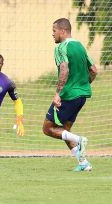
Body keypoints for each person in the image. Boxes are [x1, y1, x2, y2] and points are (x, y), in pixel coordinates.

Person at [42, 18, 97, 172]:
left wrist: (58, 94)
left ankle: (80, 140)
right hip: (81, 96)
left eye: (54, 31)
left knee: (47, 128)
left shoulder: (61, 47)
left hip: (68, 95)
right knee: (65, 131)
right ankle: (84, 163)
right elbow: (93, 70)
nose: (52, 34)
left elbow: (64, 70)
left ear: (62, 31)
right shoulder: (79, 46)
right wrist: (83, 85)